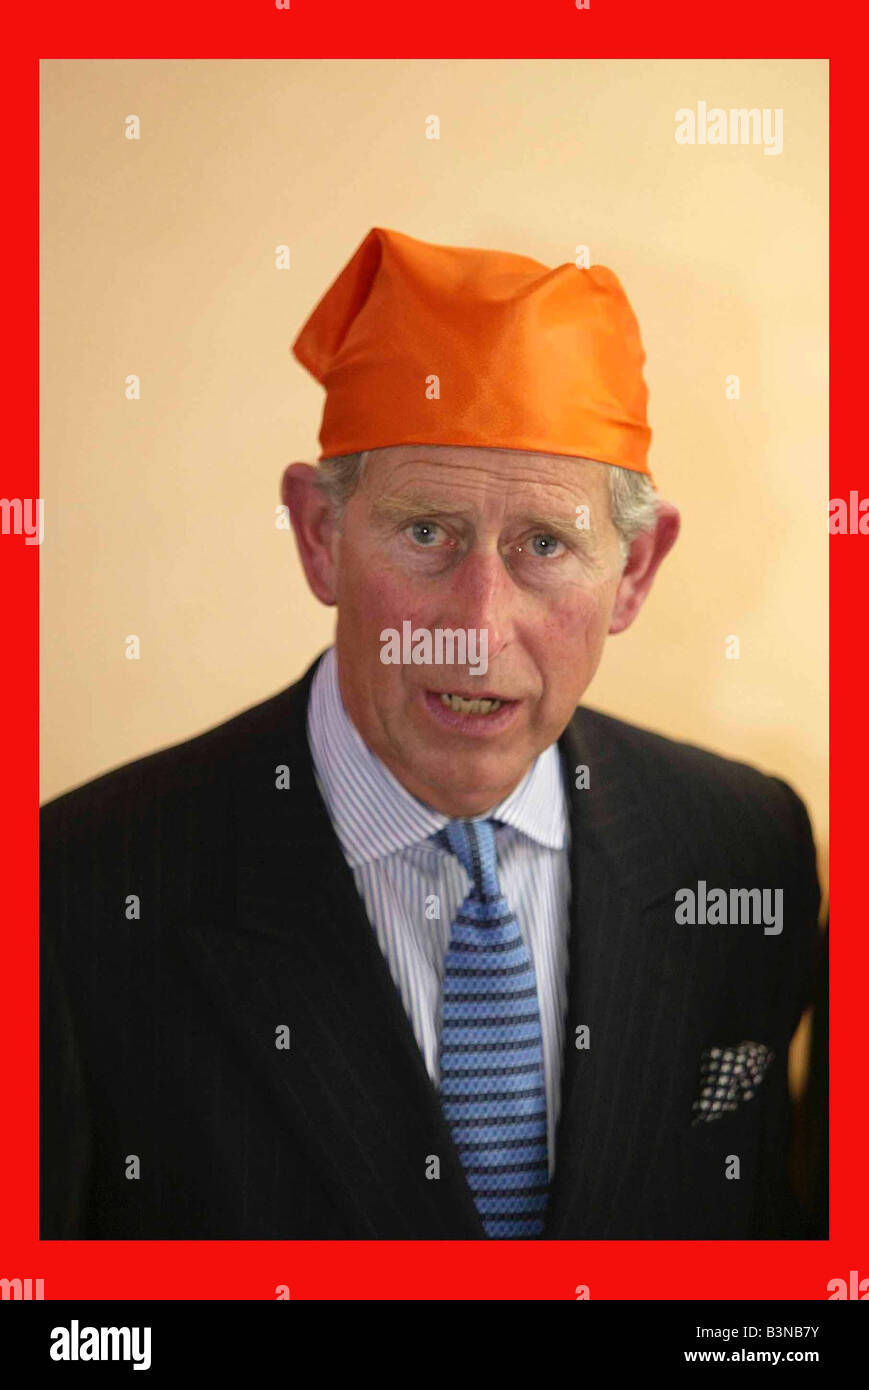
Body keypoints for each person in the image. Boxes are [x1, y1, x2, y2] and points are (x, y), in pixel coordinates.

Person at [40, 226, 822, 1239]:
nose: (473, 629)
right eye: (425, 535)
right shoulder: (75, 890)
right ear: (320, 536)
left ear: (633, 572)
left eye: (544, 544)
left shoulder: (744, 843)